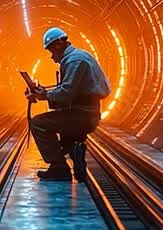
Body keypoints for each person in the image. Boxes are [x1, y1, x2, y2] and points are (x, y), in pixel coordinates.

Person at [25, 27, 111, 181]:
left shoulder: (74, 61)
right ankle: (75, 150)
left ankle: (59, 168)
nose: (52, 56)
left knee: (38, 123)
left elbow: (66, 93)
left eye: (51, 51)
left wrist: (44, 95)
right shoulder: (79, 56)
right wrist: (44, 93)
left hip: (82, 115)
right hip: (84, 113)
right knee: (61, 134)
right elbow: (71, 92)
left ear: (58, 44)